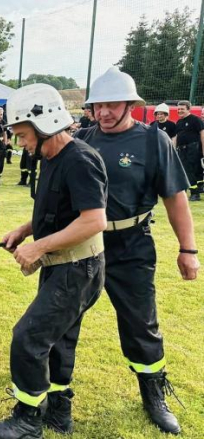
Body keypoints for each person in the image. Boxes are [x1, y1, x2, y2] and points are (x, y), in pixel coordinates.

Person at [77, 67, 198, 435]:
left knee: (141, 323)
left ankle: (153, 394)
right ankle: (53, 392)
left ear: (131, 104)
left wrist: (188, 249)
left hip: (131, 246)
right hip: (84, 245)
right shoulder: (81, 139)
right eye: (98, 106)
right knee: (61, 319)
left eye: (112, 105)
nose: (104, 113)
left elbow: (175, 198)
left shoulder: (153, 141)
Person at [0, 84, 108, 438]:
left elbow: (93, 220)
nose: (21, 144)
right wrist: (25, 231)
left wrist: (38, 248)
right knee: (59, 338)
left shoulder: (80, 160)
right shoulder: (52, 158)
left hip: (77, 268)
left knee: (29, 337)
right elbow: (60, 210)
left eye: (23, 135)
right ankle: (59, 413)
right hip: (67, 267)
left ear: (45, 124)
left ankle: (27, 419)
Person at [174, 100, 204, 201]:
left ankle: (195, 194)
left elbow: (202, 135)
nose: (179, 111)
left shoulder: (195, 120)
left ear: (188, 109)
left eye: (182, 109)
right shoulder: (178, 122)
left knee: (191, 171)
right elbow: (176, 137)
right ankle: (189, 191)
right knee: (184, 171)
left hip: (193, 148)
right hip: (181, 150)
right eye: (178, 109)